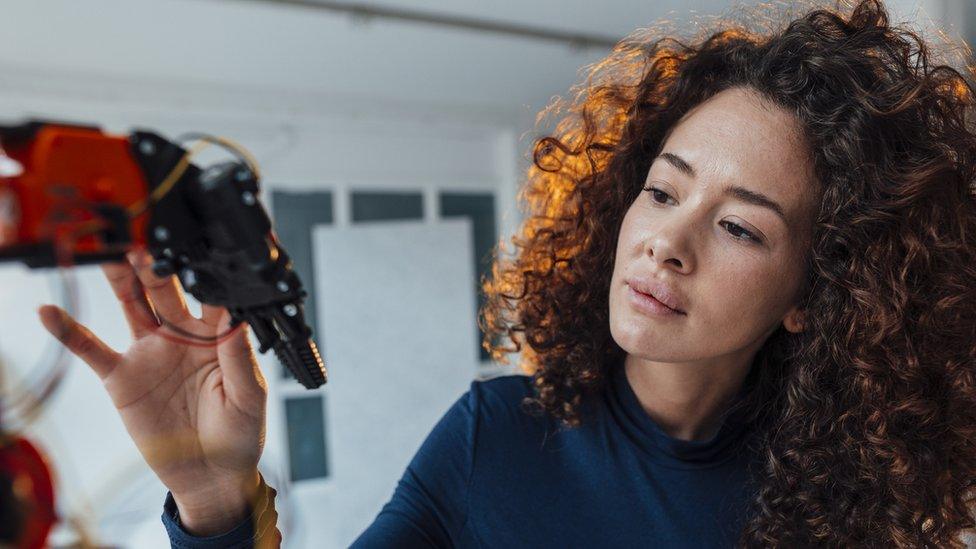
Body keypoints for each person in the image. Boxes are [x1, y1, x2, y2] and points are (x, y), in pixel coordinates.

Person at [36, 0, 976, 546]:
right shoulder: (494, 438)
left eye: (736, 225)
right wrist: (210, 498)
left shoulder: (842, 505)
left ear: (817, 293)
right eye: (662, 192)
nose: (666, 243)